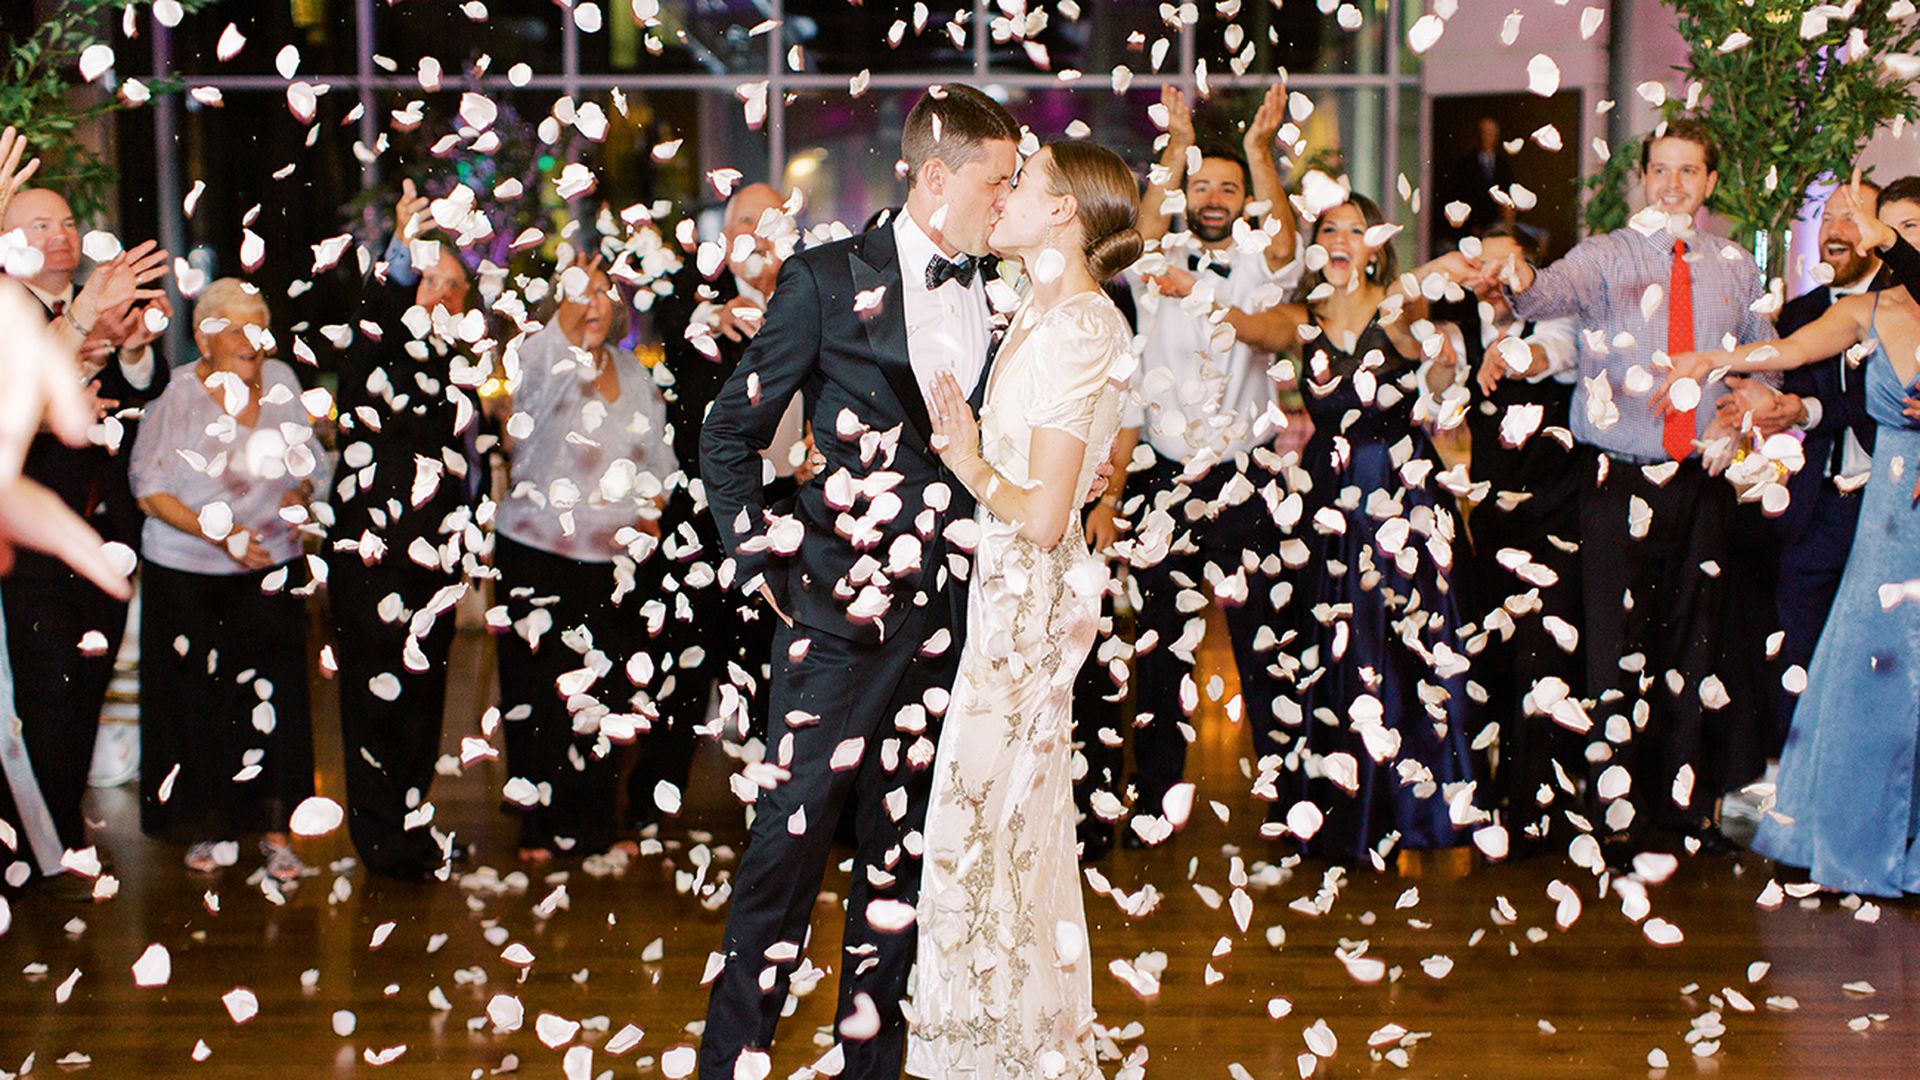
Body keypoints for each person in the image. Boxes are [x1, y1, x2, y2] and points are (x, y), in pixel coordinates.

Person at [695, 84, 1021, 1078]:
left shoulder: (1007, 290)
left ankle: (870, 1068)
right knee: (782, 861)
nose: (1007, 203)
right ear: (936, 177)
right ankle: (729, 1063)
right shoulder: (825, 279)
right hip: (835, 624)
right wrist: (766, 566)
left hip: (954, 624)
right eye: (997, 184)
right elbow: (729, 435)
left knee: (903, 864)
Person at [1436, 118, 1775, 858]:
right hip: (1614, 482)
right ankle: (1618, 820)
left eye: (1689, 171)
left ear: (1710, 184)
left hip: (1704, 482)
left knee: (1696, 650)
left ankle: (1685, 818)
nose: (1674, 184)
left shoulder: (1737, 267)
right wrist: (1517, 277)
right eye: (1662, 169)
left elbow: (1765, 360)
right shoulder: (1603, 257)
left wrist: (1747, 395)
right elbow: (1542, 293)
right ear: (1644, 177)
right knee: (1616, 653)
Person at [908, 139, 1138, 1076]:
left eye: (1023, 186)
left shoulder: (1082, 326)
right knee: (1003, 823)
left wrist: (964, 462)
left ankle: (989, 1049)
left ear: (1063, 216)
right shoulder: (1045, 314)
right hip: (1010, 596)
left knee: (986, 821)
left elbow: (1046, 518)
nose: (1001, 199)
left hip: (1028, 604)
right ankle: (1006, 1037)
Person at [1662, 178, 1920, 897]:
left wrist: (1874, 225)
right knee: (1867, 685)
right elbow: (1789, 351)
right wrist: (1713, 362)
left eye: (1903, 227)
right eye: (1889, 225)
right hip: (1887, 525)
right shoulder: (1867, 310)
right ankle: (1863, 845)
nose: (1882, 236)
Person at [1225, 193, 1480, 864]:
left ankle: (1412, 808)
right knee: (1333, 645)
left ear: (1378, 243)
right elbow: (1246, 326)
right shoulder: (1299, 320)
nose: (1341, 239)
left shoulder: (1399, 308)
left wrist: (1447, 359)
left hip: (1401, 489)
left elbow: (1434, 346)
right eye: (1329, 229)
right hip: (1327, 495)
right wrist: (1186, 285)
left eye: (1355, 230)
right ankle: (1338, 811)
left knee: (1406, 643)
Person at [1119, 84, 1301, 845]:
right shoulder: (1151, 258)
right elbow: (1138, 223)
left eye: (1229, 187)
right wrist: (1176, 143)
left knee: (1269, 641)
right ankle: (1156, 808)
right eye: (1203, 184)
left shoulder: (1262, 262)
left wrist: (1259, 148)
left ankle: (1295, 812)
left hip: (1245, 474)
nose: (1216, 197)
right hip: (1162, 474)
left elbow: (1289, 248)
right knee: (1161, 649)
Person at [0, 166, 171, 877]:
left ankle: (58, 827)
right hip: (31, 535)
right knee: (46, 686)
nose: (61, 235)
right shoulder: (11, 313)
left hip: (108, 532)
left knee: (87, 684)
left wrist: (131, 349)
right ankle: (47, 839)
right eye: (41, 224)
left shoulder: (99, 305)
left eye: (68, 222)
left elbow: (147, 395)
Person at [127, 278, 318, 881]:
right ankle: (208, 826)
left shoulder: (284, 382)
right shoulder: (178, 394)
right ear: (206, 337)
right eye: (234, 327)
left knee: (278, 697)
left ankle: (276, 829)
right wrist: (225, 537)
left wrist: (299, 492)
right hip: (191, 572)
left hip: (272, 564)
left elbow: (307, 460)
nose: (250, 340)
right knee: (202, 702)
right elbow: (149, 491)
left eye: (258, 326)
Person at [323, 179, 486, 880]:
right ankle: (382, 840)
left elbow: (470, 466)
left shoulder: (463, 369)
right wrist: (398, 257)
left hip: (436, 565)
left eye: (456, 288)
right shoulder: (376, 354)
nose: (443, 297)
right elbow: (380, 312)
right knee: (371, 701)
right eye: (431, 283)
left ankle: (413, 833)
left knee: (422, 704)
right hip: (372, 559)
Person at [492, 256, 677, 862]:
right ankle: (539, 825)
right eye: (579, 294)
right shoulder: (539, 361)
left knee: (610, 685)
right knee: (540, 689)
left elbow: (658, 457)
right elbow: (522, 424)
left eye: (602, 293)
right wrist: (570, 309)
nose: (593, 303)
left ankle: (597, 819)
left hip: (615, 557)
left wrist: (652, 508)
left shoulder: (633, 371)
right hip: (536, 551)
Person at [641, 181, 800, 832]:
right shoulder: (694, 302)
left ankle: (776, 810)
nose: (757, 233)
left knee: (776, 665)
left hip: (788, 512)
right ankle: (650, 807)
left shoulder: (806, 302)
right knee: (684, 664)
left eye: (770, 222)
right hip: (702, 522)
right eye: (744, 221)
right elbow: (663, 308)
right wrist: (704, 317)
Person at [1431, 224, 1583, 853]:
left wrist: (1512, 355)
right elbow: (1439, 404)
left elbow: (1551, 355)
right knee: (1492, 662)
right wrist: (1442, 373)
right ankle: (1491, 804)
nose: (1491, 279)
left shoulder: (1560, 321)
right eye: (1480, 267)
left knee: (1541, 664)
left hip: (1556, 521)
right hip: (1490, 526)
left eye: (1505, 266)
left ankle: (1538, 811)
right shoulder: (1463, 335)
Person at [1742, 181, 1886, 737]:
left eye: (1852, 218)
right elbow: (1782, 394)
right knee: (1797, 646)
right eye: (1827, 218)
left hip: (1884, 504)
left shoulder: (1903, 306)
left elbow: (1877, 403)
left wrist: (1806, 409)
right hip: (1814, 507)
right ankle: (1795, 777)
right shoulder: (1800, 313)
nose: (1834, 231)